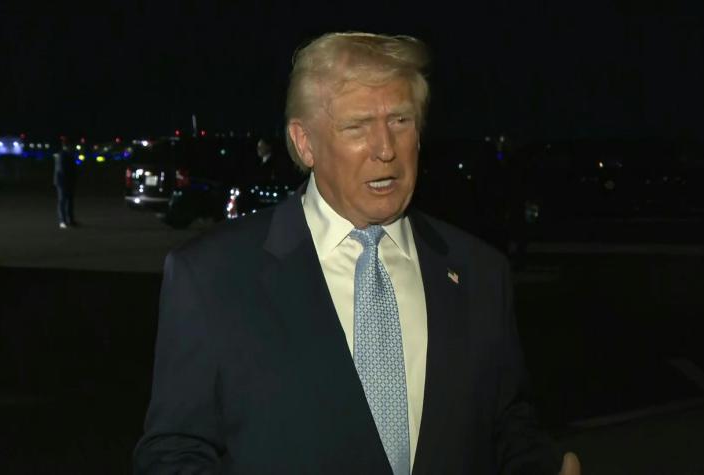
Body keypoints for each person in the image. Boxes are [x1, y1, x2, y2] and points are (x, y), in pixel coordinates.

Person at [133, 32, 580, 475]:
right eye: (357, 126)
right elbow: (172, 456)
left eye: (401, 121)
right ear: (304, 143)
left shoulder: (481, 272)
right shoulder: (211, 277)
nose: (386, 149)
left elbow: (507, 426)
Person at [52, 139, 77, 229]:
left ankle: (70, 220)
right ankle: (62, 221)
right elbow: (62, 170)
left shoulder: (68, 155)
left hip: (67, 181)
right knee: (62, 201)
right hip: (62, 182)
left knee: (69, 201)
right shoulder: (62, 155)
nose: (72, 148)